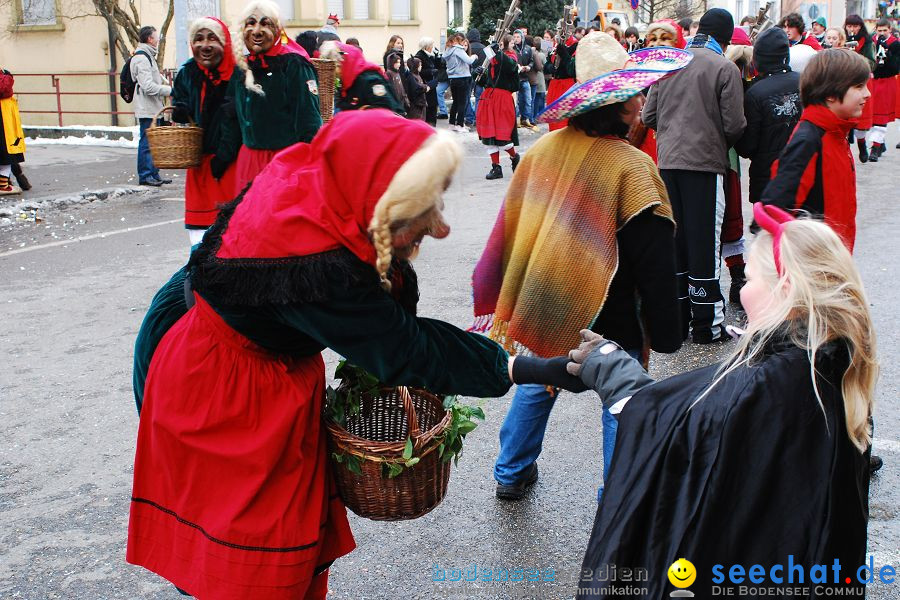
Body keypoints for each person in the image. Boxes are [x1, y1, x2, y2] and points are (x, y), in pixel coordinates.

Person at [129, 110, 572, 597]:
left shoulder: (323, 183)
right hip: (217, 378)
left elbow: (384, 302)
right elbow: (404, 347)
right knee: (247, 546)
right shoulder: (312, 263)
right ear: (382, 206)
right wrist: (523, 366)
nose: (440, 227)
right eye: (424, 209)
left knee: (279, 530)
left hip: (245, 353)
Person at [566, 203, 876, 599]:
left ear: (784, 290)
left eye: (748, 278)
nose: (742, 291)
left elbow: (683, 445)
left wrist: (621, 383)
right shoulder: (835, 366)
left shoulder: (757, 390)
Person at [479, 32, 690, 501]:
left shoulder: (543, 150)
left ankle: (510, 471)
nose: (641, 100)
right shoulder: (630, 167)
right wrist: (669, 328)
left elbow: (520, 228)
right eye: (634, 93)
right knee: (623, 398)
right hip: (611, 312)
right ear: (617, 104)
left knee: (540, 379)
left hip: (547, 299)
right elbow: (655, 259)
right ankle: (618, 498)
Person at [642, 8, 746, 344]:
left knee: (676, 241)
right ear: (726, 37)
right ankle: (707, 325)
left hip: (668, 164)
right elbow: (734, 125)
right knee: (705, 242)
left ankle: (679, 317)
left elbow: (648, 115)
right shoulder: (724, 67)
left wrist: (673, 135)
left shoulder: (669, 62)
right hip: (704, 166)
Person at [761, 49, 870, 252]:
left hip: (834, 258)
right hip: (816, 265)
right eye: (858, 86)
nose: (867, 93)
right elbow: (775, 208)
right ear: (830, 94)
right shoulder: (809, 140)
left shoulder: (833, 132)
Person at [228, 0, 321, 193]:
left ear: (278, 29)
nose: (257, 30)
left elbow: (309, 123)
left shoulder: (294, 65)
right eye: (250, 23)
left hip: (284, 164)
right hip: (248, 164)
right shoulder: (242, 68)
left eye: (265, 23)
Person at [171, 17, 241, 247]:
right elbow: (181, 100)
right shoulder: (188, 73)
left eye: (212, 38)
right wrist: (180, 110)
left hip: (233, 166)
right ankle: (200, 280)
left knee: (232, 233)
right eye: (198, 39)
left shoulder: (239, 74)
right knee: (200, 240)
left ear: (225, 42)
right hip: (200, 167)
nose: (205, 45)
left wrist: (226, 153)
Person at [735, 28, 802, 205]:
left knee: (770, 230)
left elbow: (747, 147)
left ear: (758, 59)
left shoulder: (755, 93)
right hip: (802, 171)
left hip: (768, 179)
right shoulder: (805, 82)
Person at [131, 25, 173, 187]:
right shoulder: (142, 58)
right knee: (147, 142)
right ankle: (145, 175)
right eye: (156, 37)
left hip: (152, 106)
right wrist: (169, 90)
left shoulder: (148, 56)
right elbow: (148, 86)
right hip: (146, 107)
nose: (158, 40)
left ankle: (153, 173)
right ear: (149, 39)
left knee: (153, 142)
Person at [475, 35, 521, 180]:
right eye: (497, 44)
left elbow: (512, 67)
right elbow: (486, 81)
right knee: (489, 136)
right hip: (488, 99)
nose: (498, 46)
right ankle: (496, 167)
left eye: (500, 44)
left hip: (503, 100)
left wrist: (499, 53)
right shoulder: (491, 60)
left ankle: (514, 157)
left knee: (503, 135)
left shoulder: (511, 57)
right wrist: (478, 74)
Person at [320, 42, 405, 114]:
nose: (335, 72)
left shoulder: (370, 79)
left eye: (336, 67)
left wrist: (362, 112)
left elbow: (386, 108)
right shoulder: (345, 84)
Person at [865, 18, 900, 162]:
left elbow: (895, 66)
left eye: (885, 30)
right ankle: (880, 143)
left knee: (881, 115)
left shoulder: (895, 44)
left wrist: (887, 52)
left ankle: (875, 146)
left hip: (887, 81)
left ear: (889, 30)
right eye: (879, 30)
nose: (882, 33)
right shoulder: (871, 41)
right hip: (873, 80)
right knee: (873, 115)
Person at [844, 15, 875, 162]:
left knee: (860, 118)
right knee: (844, 114)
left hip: (861, 80)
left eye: (855, 26)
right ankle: (845, 147)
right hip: (845, 81)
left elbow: (872, 62)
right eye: (849, 26)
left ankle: (862, 144)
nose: (852, 29)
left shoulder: (867, 42)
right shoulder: (843, 38)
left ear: (860, 27)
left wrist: (856, 57)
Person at [545, 32, 578, 131]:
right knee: (553, 120)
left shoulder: (576, 45)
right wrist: (550, 67)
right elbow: (546, 66)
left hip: (567, 86)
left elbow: (572, 70)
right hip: (555, 85)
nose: (562, 32)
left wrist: (565, 54)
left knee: (564, 121)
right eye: (559, 30)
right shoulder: (555, 44)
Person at [443, 33, 476, 132]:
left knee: (455, 102)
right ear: (460, 40)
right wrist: (474, 56)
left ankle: (452, 123)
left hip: (452, 78)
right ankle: (460, 124)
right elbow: (469, 60)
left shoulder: (448, 50)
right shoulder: (458, 49)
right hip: (462, 77)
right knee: (462, 102)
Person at [0, 68, 25, 195]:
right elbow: (4, 88)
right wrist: (8, 76)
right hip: (3, 120)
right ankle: (3, 185)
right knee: (6, 153)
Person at [512, 30, 536, 129]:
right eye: (515, 37)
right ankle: (516, 119)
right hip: (516, 78)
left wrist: (529, 67)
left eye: (518, 37)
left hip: (525, 77)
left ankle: (525, 119)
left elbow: (532, 61)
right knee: (516, 101)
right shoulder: (512, 48)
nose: (516, 39)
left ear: (522, 38)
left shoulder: (528, 48)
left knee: (527, 100)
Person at [415, 38, 440, 125]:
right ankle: (429, 127)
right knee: (429, 108)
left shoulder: (429, 55)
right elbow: (418, 71)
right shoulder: (419, 56)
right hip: (426, 86)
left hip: (432, 84)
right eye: (431, 45)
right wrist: (430, 71)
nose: (432, 47)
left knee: (433, 107)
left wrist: (437, 56)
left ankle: (432, 126)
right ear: (426, 47)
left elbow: (438, 65)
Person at [466, 28, 487, 126]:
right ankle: (478, 118)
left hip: (469, 74)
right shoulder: (484, 48)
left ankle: (469, 118)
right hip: (481, 75)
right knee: (479, 97)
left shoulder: (467, 48)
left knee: (467, 97)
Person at [529, 37, 547, 120]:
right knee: (539, 99)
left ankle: (532, 116)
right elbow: (545, 66)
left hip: (532, 78)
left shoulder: (531, 53)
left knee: (533, 99)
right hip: (539, 78)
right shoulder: (542, 55)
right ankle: (537, 116)